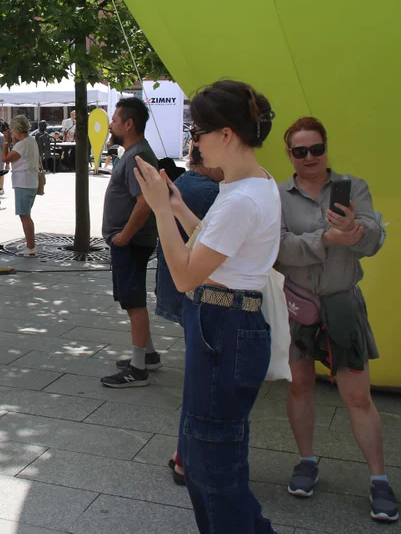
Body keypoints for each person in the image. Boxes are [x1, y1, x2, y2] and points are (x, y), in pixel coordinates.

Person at [133, 79, 279, 534]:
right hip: (226, 321)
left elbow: (185, 275)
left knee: (210, 463)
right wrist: (178, 209)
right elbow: (217, 249)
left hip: (224, 324)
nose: (193, 143)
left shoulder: (242, 197)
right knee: (213, 456)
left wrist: (158, 210)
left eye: (197, 132)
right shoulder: (253, 185)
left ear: (226, 135)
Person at [277, 117, 395, 523]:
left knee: (358, 396)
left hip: (343, 304)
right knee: (300, 387)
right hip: (296, 304)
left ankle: (379, 480)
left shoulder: (353, 187)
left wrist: (355, 230)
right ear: (289, 154)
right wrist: (325, 239)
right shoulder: (278, 195)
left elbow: (375, 240)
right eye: (300, 151)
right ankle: (306, 461)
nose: (310, 158)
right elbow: (276, 251)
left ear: (326, 148)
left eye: (316, 149)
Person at [152, 141, 223, 484]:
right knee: (202, 381)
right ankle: (186, 456)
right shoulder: (213, 192)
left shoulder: (184, 185)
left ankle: (184, 453)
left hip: (186, 291)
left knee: (197, 376)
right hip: (205, 294)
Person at [99, 98, 161, 389]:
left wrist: (124, 235)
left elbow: (145, 202)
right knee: (131, 300)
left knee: (134, 302)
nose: (110, 124)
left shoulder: (138, 156)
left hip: (132, 243)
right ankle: (147, 355)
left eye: (114, 120)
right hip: (130, 242)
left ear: (128, 124)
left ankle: (138, 370)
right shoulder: (135, 153)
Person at [1, 115, 39, 257]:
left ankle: (31, 248)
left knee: (24, 216)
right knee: (26, 215)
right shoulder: (31, 141)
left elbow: (5, 158)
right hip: (30, 181)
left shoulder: (21, 144)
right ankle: (31, 245)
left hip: (23, 182)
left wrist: (6, 142)